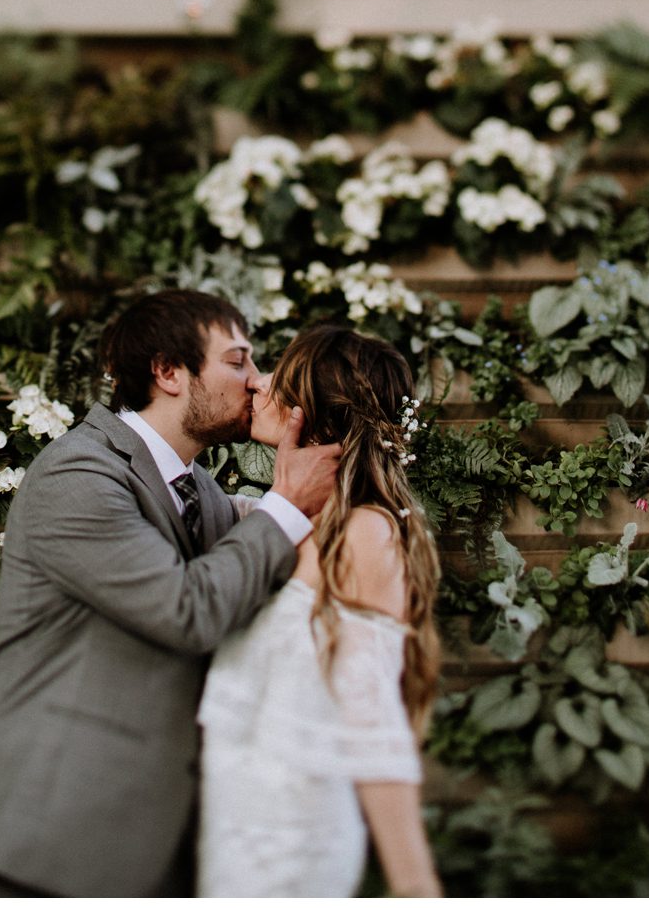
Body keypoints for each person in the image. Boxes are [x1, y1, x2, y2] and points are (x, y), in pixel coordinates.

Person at [0, 289, 342, 896]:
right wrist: (286, 502)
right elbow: (189, 609)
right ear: (168, 371)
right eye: (238, 362)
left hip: (147, 851)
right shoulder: (78, 474)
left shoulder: (198, 491)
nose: (259, 383)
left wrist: (309, 459)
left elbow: (293, 537)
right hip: (46, 846)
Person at [196, 324, 445, 897]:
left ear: (307, 414)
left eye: (275, 378)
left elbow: (371, 718)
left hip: (293, 837)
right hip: (233, 822)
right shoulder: (278, 522)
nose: (255, 383)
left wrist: (415, 885)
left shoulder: (365, 533)